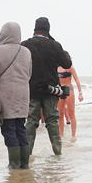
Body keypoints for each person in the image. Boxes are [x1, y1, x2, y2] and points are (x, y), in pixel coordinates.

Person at [21, 17, 71, 158]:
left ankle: (27, 155)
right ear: (48, 29)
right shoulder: (54, 45)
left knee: (31, 121)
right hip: (51, 91)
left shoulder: (25, 45)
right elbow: (67, 63)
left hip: (31, 90)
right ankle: (57, 154)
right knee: (52, 121)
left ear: (35, 29)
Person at [0, 22, 33, 169]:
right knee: (20, 128)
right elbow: (29, 74)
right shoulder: (26, 51)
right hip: (23, 95)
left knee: (8, 129)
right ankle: (24, 165)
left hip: (5, 96)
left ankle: (14, 165)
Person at [56, 65, 84, 140]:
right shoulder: (56, 67)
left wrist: (80, 93)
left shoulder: (70, 67)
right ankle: (61, 136)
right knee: (60, 114)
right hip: (60, 90)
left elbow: (77, 79)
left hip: (68, 89)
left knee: (71, 113)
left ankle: (73, 136)